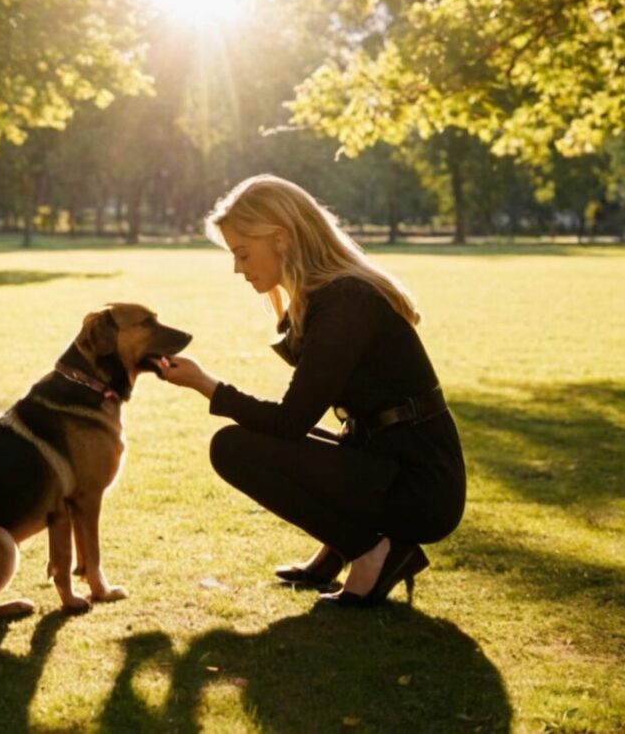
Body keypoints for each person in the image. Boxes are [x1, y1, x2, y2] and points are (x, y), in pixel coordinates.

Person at [156, 174, 465, 606]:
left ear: (280, 239)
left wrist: (207, 385)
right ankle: (343, 547)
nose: (238, 268)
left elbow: (289, 422)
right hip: (390, 465)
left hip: (420, 487)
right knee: (249, 442)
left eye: (243, 253)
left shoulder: (345, 301)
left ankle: (372, 552)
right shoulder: (330, 297)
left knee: (234, 448)